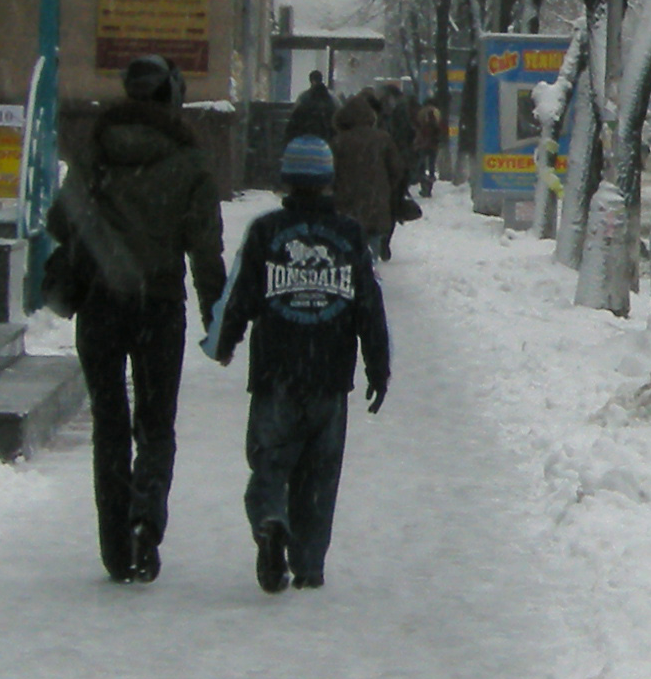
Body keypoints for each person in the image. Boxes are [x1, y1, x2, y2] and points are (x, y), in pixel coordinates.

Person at [47, 56, 232, 584]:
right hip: (158, 306)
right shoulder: (190, 160)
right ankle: (145, 524)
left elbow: (61, 220)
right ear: (171, 97)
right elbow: (205, 250)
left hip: (102, 304)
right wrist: (217, 320)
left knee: (109, 424)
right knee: (154, 425)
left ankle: (113, 546)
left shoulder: (97, 150)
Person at [210, 132, 391, 595]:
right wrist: (377, 365)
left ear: (286, 181)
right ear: (329, 180)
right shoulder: (350, 235)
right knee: (319, 476)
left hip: (275, 373)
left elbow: (242, 295)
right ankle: (308, 563)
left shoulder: (266, 231)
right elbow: (369, 305)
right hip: (330, 378)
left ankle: (271, 519)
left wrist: (226, 340)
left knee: (270, 461)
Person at [333, 85, 400, 259]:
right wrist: (383, 189)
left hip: (345, 208)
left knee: (345, 256)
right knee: (370, 256)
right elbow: (397, 171)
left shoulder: (338, 141)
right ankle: (368, 279)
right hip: (375, 208)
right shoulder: (383, 139)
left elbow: (330, 175)